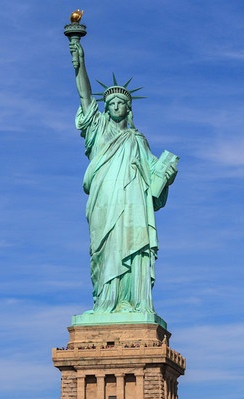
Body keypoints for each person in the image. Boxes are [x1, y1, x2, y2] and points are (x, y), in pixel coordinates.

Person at [69, 41, 178, 315]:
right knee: (104, 249)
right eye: (111, 103)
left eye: (121, 103)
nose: (116, 106)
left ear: (129, 109)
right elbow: (84, 97)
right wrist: (79, 61)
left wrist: (167, 172)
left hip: (132, 205)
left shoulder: (138, 140)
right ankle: (105, 303)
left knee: (132, 245)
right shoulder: (99, 129)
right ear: (106, 108)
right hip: (104, 198)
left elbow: (155, 176)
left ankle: (131, 301)